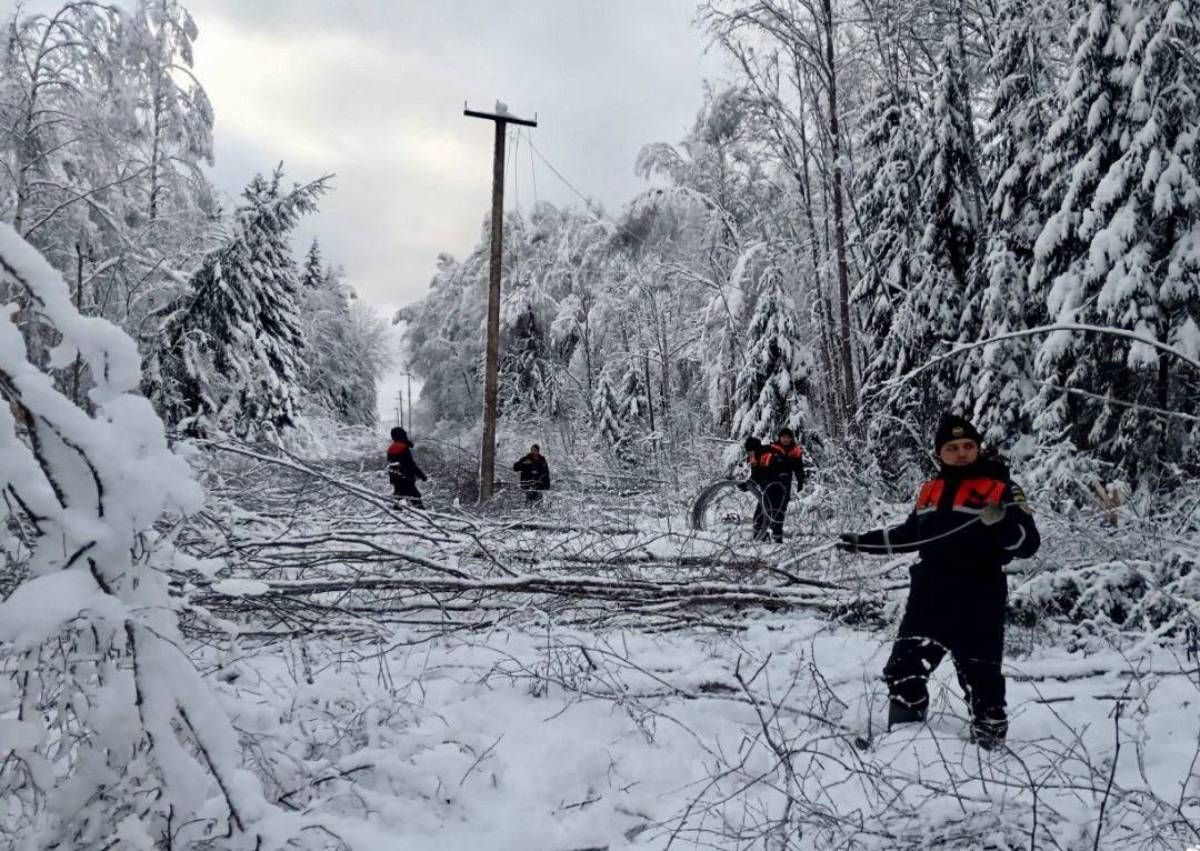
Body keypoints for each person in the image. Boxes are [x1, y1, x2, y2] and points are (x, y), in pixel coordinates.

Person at [837, 414, 1040, 749]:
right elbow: (909, 535)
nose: (961, 453)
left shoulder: (1002, 488)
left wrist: (1001, 523)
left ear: (977, 448)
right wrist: (862, 542)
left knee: (983, 683)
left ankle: (990, 757)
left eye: (968, 446)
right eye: (952, 447)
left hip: (979, 597)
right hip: (928, 596)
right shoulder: (930, 490)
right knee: (904, 670)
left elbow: (1028, 544)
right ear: (939, 453)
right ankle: (905, 748)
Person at [740, 437, 787, 543]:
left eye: (750, 451)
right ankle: (761, 540)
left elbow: (775, 473)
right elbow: (755, 476)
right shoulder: (755, 458)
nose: (749, 453)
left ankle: (776, 542)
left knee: (774, 517)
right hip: (766, 492)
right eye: (748, 451)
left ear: (754, 449)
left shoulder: (768, 454)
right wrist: (747, 485)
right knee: (759, 517)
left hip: (776, 490)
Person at [769, 427, 806, 539]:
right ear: (779, 438)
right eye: (783, 437)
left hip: (786, 482)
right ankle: (769, 530)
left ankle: (776, 530)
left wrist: (800, 480)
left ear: (791, 439)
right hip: (772, 481)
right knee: (771, 505)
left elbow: (799, 467)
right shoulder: (773, 448)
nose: (785, 440)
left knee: (782, 506)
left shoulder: (794, 450)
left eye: (788, 437)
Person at [386, 427, 427, 509]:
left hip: (395, 478)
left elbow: (392, 464)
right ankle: (423, 515)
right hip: (406, 479)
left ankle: (395, 514)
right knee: (416, 498)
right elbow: (410, 464)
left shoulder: (391, 448)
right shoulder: (403, 448)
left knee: (398, 498)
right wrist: (422, 476)